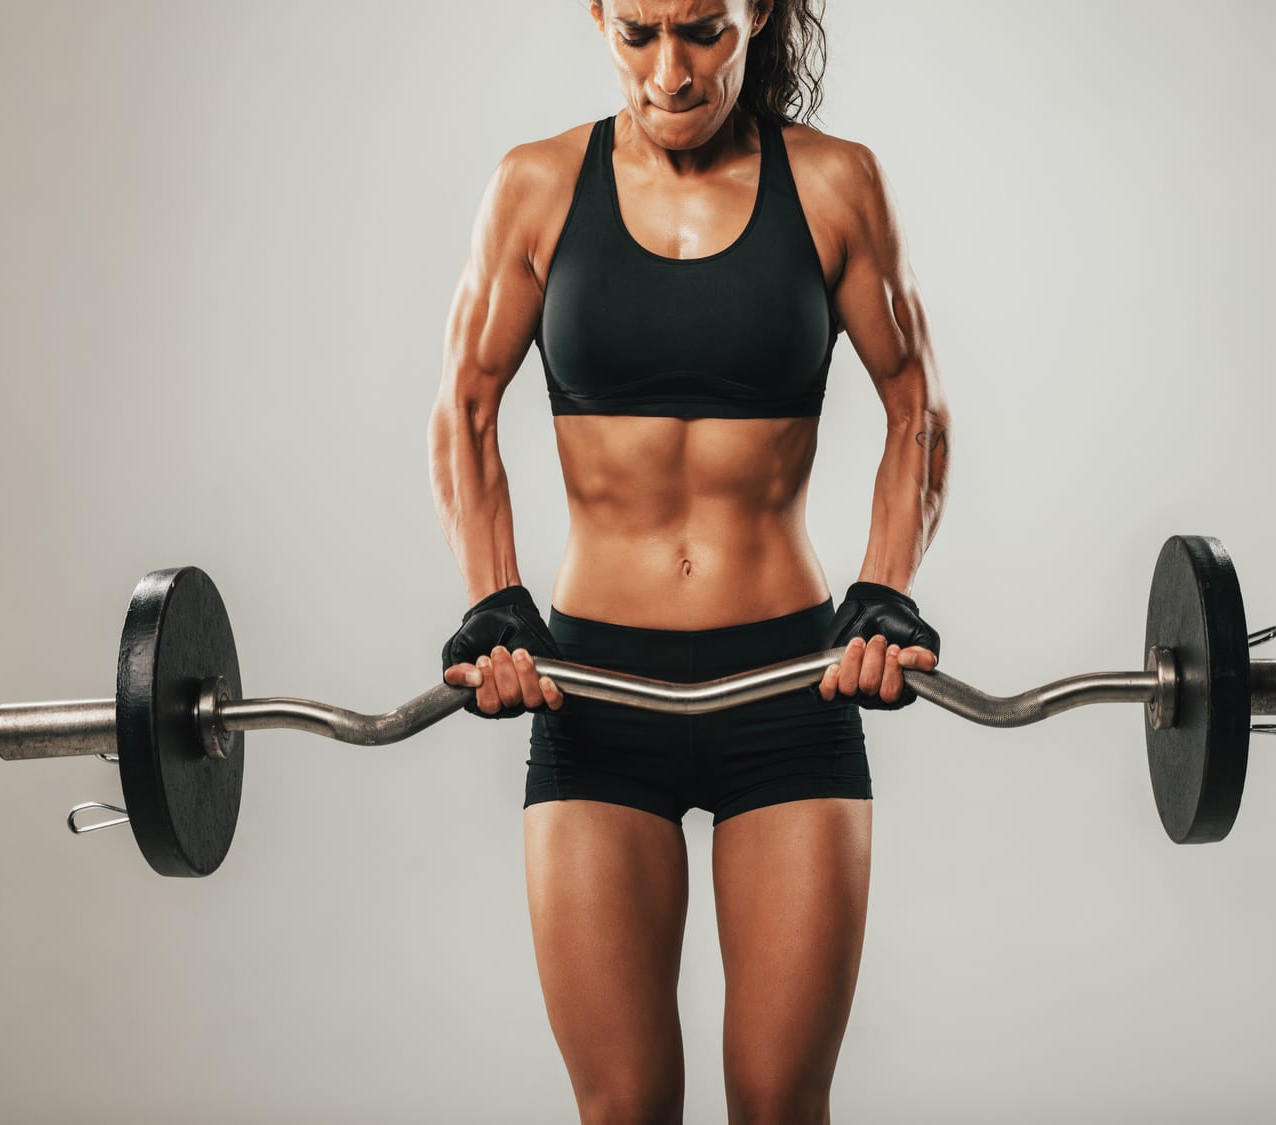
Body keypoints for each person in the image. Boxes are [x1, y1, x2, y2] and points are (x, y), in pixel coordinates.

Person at [429, 2, 949, 1120]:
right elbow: (464, 410)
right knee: (622, 1112)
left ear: (754, 11)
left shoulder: (832, 185)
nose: (669, 71)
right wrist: (495, 610)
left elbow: (915, 407)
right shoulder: (533, 187)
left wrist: (885, 593)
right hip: (596, 697)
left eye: (704, 30)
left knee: (778, 1105)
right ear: (599, 17)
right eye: (638, 33)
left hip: (786, 691)